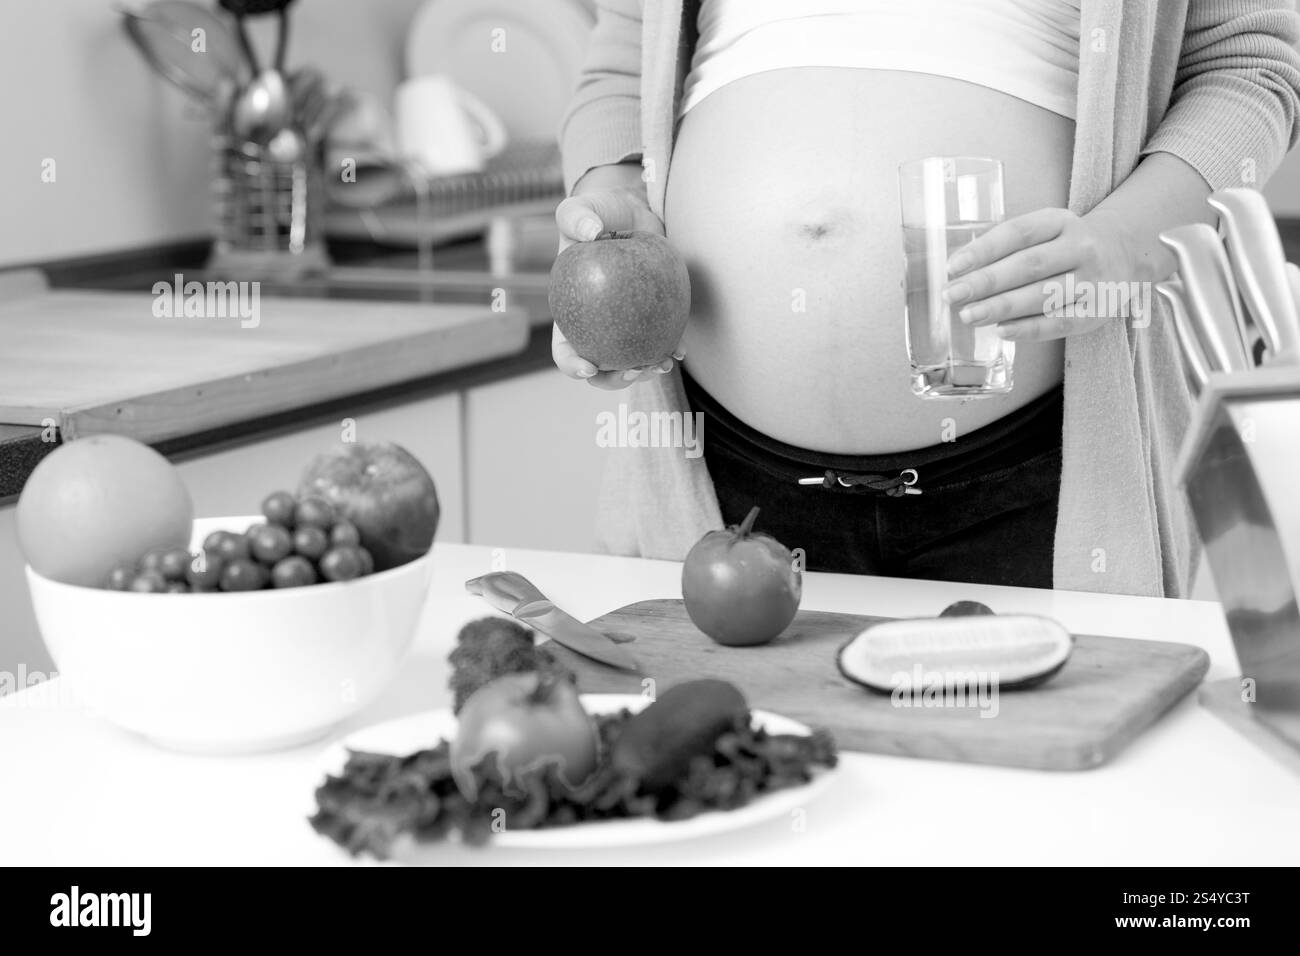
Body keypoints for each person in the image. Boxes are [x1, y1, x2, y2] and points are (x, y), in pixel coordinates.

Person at [553, 0, 1300, 595]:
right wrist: (609, 210)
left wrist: (1128, 243)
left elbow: (1248, 65)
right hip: (723, 489)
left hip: (1034, 479)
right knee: (734, 774)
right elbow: (625, 61)